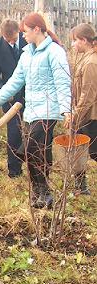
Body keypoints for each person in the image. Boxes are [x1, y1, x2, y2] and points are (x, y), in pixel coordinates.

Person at [0, 12, 71, 209]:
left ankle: (44, 191)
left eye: (26, 32)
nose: (23, 36)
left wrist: (67, 110)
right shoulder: (27, 54)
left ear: (37, 30)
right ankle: (40, 192)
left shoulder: (54, 52)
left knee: (31, 148)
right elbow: (14, 82)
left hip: (49, 109)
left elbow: (63, 82)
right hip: (32, 110)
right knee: (37, 150)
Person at [0, 19, 28, 178]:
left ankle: (34, 165)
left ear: (19, 31)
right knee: (14, 132)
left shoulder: (28, 40)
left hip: (30, 95)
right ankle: (15, 171)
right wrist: (2, 91)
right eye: (7, 39)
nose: (11, 42)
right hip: (10, 98)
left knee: (35, 131)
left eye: (13, 39)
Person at [68, 23, 97, 195]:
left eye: (74, 41)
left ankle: (81, 188)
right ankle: (81, 188)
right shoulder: (87, 58)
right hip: (85, 114)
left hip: (89, 116)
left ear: (84, 40)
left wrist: (75, 115)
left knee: (91, 152)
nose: (72, 44)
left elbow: (88, 94)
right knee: (78, 151)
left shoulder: (91, 63)